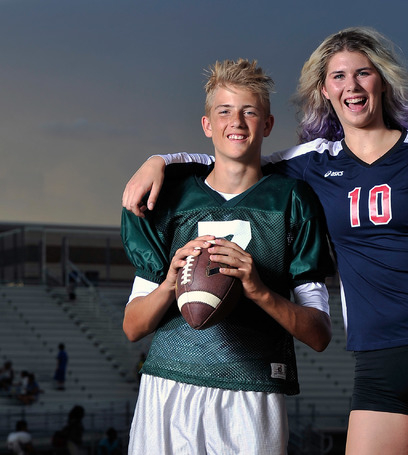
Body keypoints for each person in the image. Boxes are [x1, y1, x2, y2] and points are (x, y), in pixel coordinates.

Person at [121, 27, 408, 455]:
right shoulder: (312, 162)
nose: (351, 85)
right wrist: (160, 160)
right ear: (325, 90)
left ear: (381, 81)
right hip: (377, 357)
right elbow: (237, 156)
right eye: (338, 76)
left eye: (363, 73)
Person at [121, 58, 334, 454]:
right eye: (224, 111)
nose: (236, 122)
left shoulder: (293, 201)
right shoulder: (168, 199)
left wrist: (259, 290)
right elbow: (133, 327)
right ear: (207, 125)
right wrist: (171, 281)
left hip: (251, 392)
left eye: (249, 112)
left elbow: (319, 334)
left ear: (267, 125)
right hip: (169, 385)